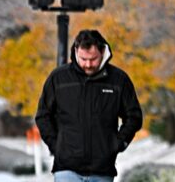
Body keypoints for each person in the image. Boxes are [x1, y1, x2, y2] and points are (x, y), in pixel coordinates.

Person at [35, 29, 143, 181]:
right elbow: (43, 116)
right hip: (66, 168)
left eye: (93, 59)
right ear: (76, 51)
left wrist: (118, 143)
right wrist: (56, 146)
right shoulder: (58, 78)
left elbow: (134, 117)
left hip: (102, 170)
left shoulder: (119, 80)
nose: (87, 64)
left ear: (103, 53)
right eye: (83, 59)